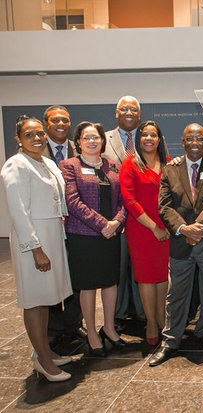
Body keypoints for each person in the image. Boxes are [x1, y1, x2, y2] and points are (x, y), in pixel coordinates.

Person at [149, 123, 203, 367]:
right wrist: (184, 229)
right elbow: (163, 205)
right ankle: (170, 340)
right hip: (181, 241)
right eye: (189, 138)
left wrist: (199, 228)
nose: (194, 142)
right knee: (176, 295)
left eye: (199, 138)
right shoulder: (169, 169)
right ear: (182, 142)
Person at [1, 115, 73, 382]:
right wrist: (35, 249)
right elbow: (18, 211)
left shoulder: (47, 162)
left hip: (52, 233)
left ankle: (44, 350)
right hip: (33, 239)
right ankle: (43, 359)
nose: (38, 138)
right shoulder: (16, 165)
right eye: (30, 134)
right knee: (34, 300)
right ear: (18, 139)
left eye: (40, 133)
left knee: (46, 298)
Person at [61, 121, 127, 357]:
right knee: (88, 286)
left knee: (110, 282)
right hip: (84, 236)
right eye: (87, 137)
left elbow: (122, 200)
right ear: (78, 141)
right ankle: (91, 333)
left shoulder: (112, 166)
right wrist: (103, 225)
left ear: (102, 140)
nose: (92, 141)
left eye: (96, 137)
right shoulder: (70, 166)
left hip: (110, 235)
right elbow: (73, 202)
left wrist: (117, 222)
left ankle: (109, 328)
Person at [120, 121, 171, 346]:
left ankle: (161, 318)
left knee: (162, 276)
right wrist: (154, 227)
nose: (149, 138)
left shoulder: (169, 164)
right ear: (139, 139)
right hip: (142, 229)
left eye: (153, 134)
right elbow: (129, 200)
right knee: (146, 278)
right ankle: (151, 322)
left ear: (159, 139)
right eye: (144, 135)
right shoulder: (130, 164)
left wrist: (169, 226)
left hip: (166, 229)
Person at [41, 105, 86, 346]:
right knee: (51, 276)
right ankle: (53, 326)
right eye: (55, 120)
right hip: (48, 224)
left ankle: (74, 323)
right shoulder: (35, 149)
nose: (61, 124)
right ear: (46, 124)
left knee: (75, 275)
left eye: (65, 120)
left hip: (76, 225)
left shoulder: (76, 148)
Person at [103, 95, 144, 328]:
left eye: (133, 109)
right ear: (116, 113)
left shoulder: (149, 136)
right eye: (124, 109)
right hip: (115, 212)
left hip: (143, 213)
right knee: (117, 267)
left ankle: (142, 310)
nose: (129, 113)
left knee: (139, 265)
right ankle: (117, 314)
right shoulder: (104, 139)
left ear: (139, 115)